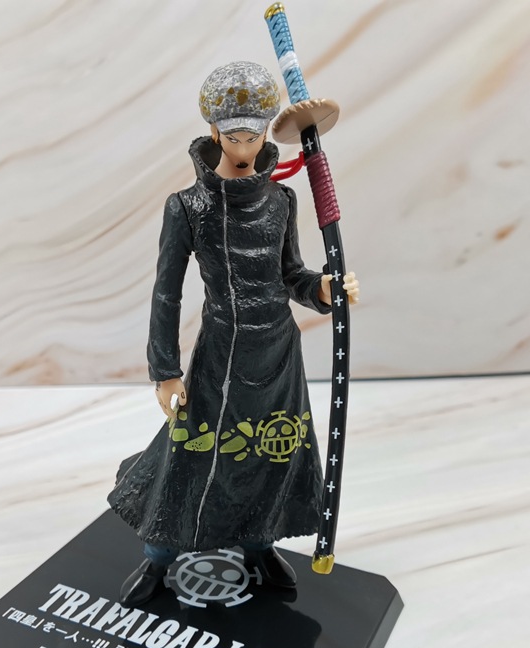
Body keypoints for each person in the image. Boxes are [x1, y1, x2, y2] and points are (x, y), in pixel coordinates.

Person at [108, 62, 359, 607]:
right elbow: (166, 293)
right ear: (215, 133)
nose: (245, 148)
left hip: (279, 352)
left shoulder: (282, 201)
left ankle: (258, 543)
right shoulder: (187, 207)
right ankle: (159, 555)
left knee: (273, 452)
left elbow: (290, 274)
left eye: (254, 136)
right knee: (192, 455)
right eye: (235, 137)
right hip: (221, 354)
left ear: (266, 134)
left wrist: (323, 289)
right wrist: (165, 371)